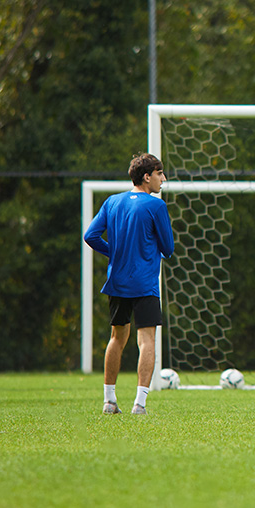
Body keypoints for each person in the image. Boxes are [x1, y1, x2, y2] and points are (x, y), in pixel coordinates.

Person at [83, 153, 174, 415]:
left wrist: (116, 252)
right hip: (145, 284)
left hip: (118, 282)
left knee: (116, 337)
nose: (163, 179)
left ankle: (109, 401)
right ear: (147, 177)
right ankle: (140, 404)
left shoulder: (112, 202)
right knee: (146, 340)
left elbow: (90, 236)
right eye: (160, 173)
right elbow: (168, 249)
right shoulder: (156, 206)